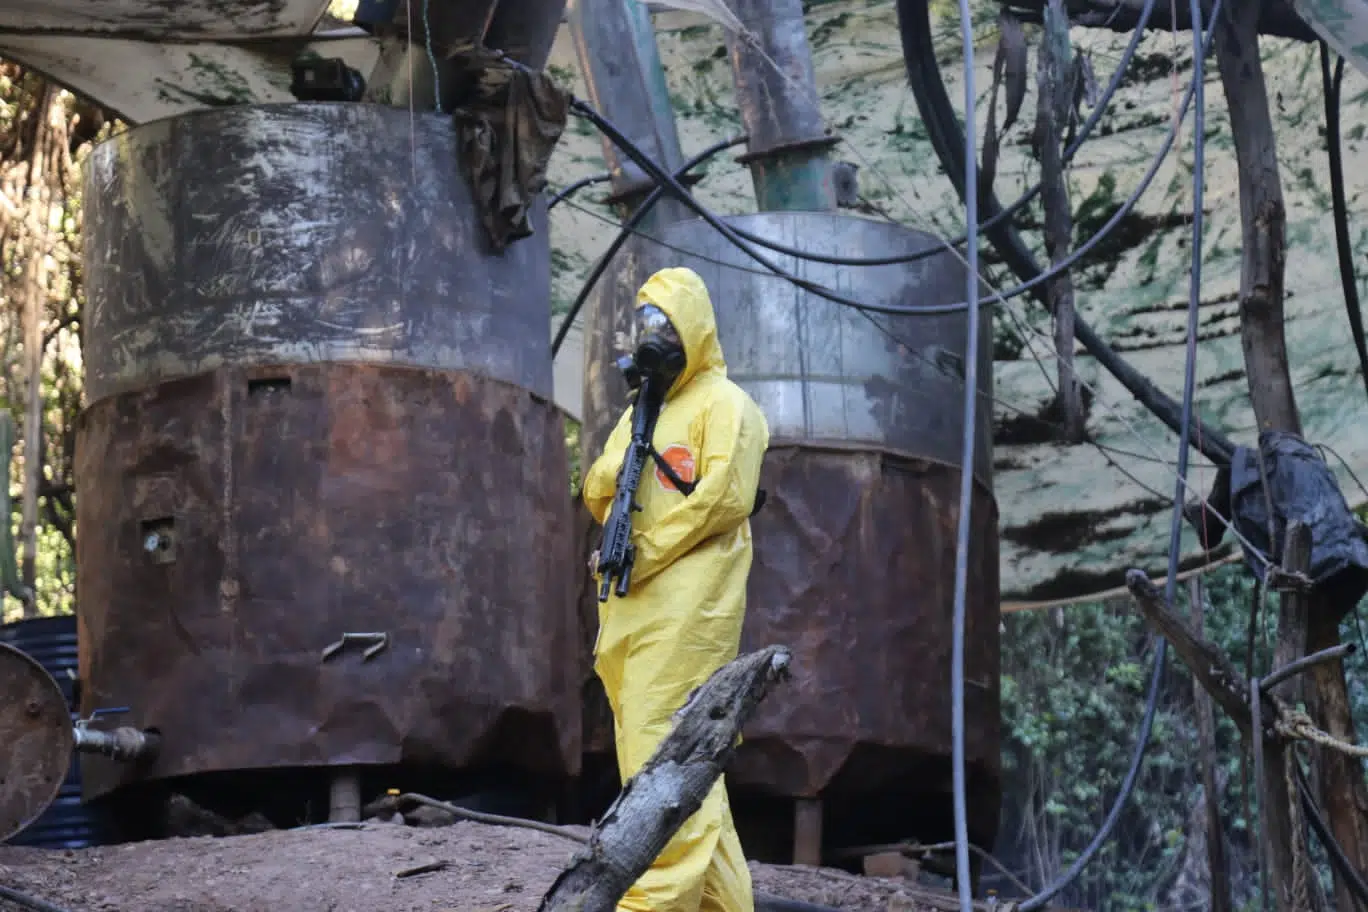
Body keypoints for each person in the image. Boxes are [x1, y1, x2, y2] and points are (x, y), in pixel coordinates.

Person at [583, 266, 770, 912]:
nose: (654, 336)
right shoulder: (645, 410)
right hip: (631, 611)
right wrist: (619, 472)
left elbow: (725, 498)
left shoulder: (729, 408)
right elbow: (596, 489)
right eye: (646, 324)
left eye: (666, 323)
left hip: (688, 611)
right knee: (684, 763)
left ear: (694, 328)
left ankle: (650, 904)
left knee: (667, 762)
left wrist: (649, 550)